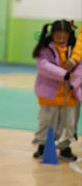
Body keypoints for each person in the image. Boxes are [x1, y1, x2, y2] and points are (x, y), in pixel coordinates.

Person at [32, 20, 80, 161]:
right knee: (47, 121)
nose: (61, 37)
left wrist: (74, 82)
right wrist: (64, 75)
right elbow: (44, 66)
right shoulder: (45, 49)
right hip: (50, 94)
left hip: (70, 94)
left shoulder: (75, 50)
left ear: (70, 34)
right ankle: (42, 146)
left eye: (64, 34)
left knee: (68, 123)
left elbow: (80, 69)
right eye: (57, 33)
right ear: (52, 34)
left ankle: (65, 147)